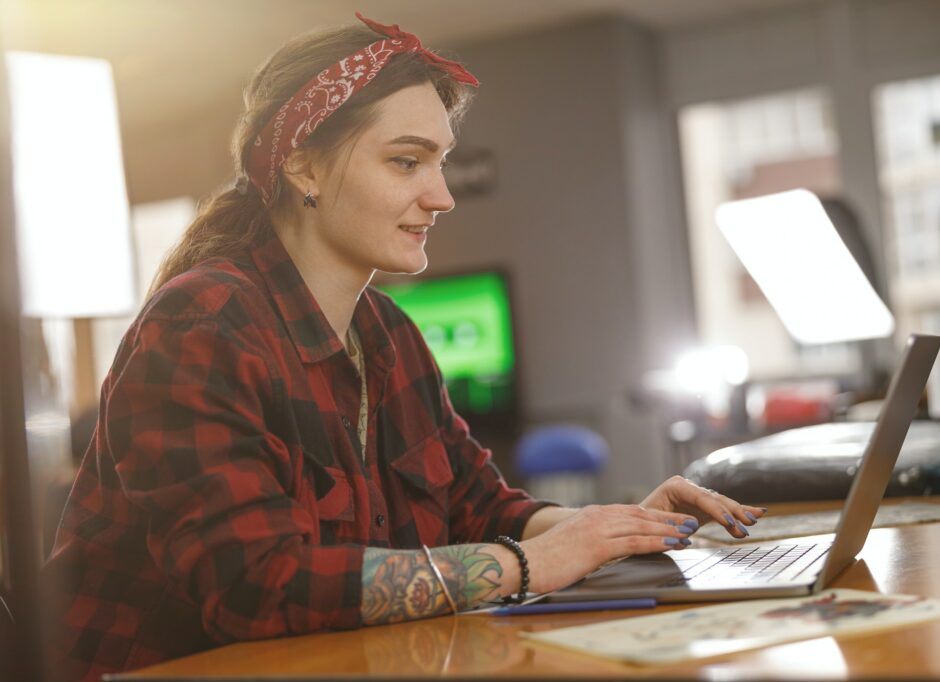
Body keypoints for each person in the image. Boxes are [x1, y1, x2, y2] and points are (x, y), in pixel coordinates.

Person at [43, 13, 766, 682]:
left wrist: (612, 529)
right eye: (406, 162)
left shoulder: (388, 334)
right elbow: (254, 587)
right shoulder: (202, 323)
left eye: (441, 162)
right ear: (304, 167)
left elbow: (481, 508)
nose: (442, 196)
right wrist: (531, 564)